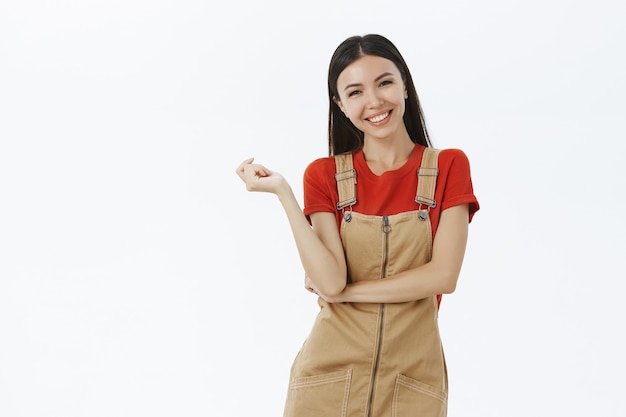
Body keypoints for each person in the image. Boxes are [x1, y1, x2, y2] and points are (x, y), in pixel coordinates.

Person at [236, 34, 479, 417]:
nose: (374, 102)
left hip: (412, 383)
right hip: (326, 381)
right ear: (340, 105)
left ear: (404, 87)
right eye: (355, 92)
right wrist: (283, 193)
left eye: (384, 83)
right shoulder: (324, 175)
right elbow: (329, 282)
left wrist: (348, 294)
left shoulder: (449, 166)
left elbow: (443, 276)